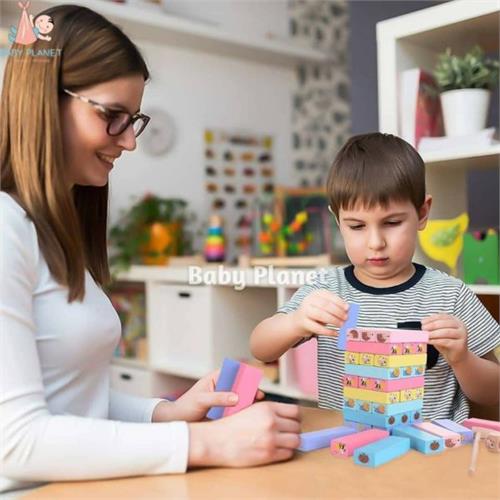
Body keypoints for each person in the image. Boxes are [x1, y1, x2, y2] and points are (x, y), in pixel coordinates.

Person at [0, 5, 300, 494]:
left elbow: (71, 401)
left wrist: (166, 412)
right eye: (111, 116)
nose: (129, 142)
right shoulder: (4, 226)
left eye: (132, 119)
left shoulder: (52, 228)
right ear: (44, 100)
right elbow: (14, 441)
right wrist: (207, 443)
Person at [251, 132, 500, 423]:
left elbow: (493, 393)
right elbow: (259, 347)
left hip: (432, 454)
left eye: (392, 223)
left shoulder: (450, 294)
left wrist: (462, 359)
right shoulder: (326, 289)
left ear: (422, 213)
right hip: (347, 447)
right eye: (356, 226)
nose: (375, 242)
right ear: (338, 221)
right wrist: (295, 322)